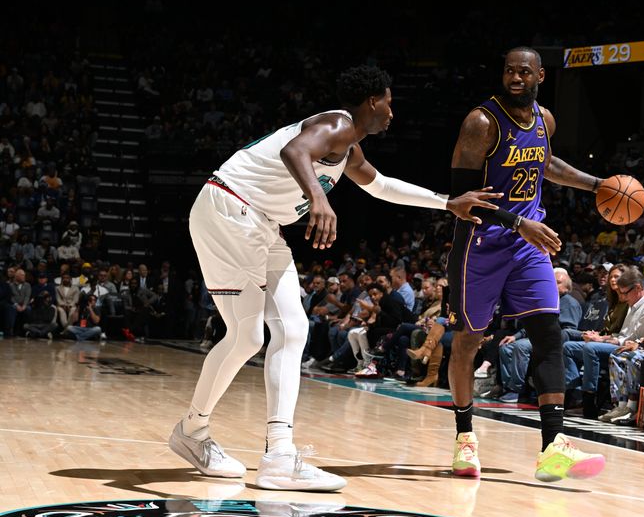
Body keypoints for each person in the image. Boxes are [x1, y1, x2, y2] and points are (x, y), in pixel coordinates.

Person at [168, 64, 500, 492]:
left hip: (257, 221)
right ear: (373, 101)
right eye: (389, 103)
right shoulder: (336, 123)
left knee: (280, 332)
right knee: (256, 335)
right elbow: (295, 152)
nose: (392, 113)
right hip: (232, 208)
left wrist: (446, 202)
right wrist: (319, 197)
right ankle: (222, 440)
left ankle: (255, 449)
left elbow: (380, 186)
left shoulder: (350, 149)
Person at [443, 46, 605, 483]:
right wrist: (517, 223)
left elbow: (545, 164)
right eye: (509, 71)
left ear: (540, 76)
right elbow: (463, 201)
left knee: (548, 334)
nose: (516, 77)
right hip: (481, 243)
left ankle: (554, 445)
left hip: (527, 243)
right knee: (468, 341)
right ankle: (465, 438)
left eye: (524, 72)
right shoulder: (481, 122)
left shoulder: (544, 120)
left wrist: (597, 185)